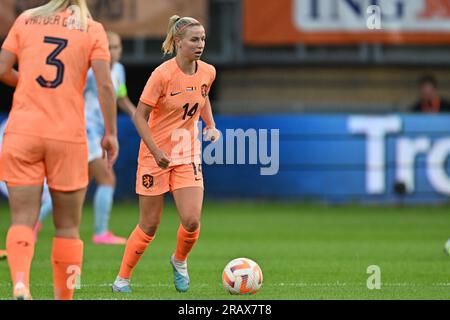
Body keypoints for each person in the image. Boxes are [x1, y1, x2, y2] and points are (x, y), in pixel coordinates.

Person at [0, 0, 118, 300]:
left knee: (22, 219)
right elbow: (105, 85)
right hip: (67, 136)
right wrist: (110, 132)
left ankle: (21, 283)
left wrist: (26, 83)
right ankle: (64, 297)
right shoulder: (91, 29)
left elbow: (2, 68)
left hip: (23, 131)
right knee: (67, 227)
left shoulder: (26, 19)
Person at [112, 15, 220, 293]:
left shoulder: (208, 71)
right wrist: (155, 150)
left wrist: (211, 125)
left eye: (203, 39)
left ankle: (179, 260)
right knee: (149, 225)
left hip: (188, 152)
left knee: (192, 220)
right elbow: (139, 116)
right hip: (155, 155)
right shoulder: (161, 75)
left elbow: (202, 96)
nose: (200, 44)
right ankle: (122, 278)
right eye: (195, 40)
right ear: (178, 42)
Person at [36, 31, 135, 245]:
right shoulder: (90, 71)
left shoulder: (119, 70)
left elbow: (121, 97)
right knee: (107, 178)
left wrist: (138, 116)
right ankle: (101, 233)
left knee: (76, 182)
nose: (112, 52)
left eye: (116, 47)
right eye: (108, 47)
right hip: (84, 130)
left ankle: (34, 221)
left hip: (99, 132)